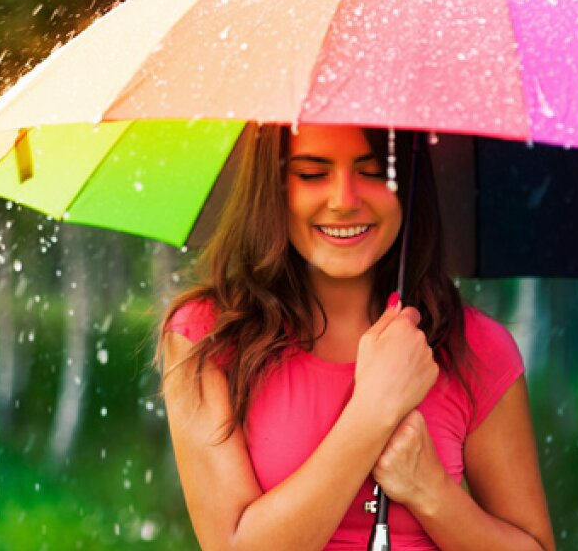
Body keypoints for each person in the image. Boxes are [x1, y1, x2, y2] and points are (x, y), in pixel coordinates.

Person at [157, 124, 555, 550]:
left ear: (408, 183)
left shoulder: (476, 347)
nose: (344, 201)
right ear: (272, 186)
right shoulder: (205, 338)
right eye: (312, 174)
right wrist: (373, 411)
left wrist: (430, 491)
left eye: (375, 172)